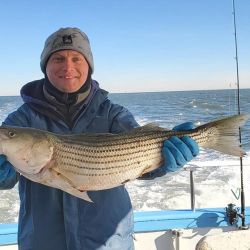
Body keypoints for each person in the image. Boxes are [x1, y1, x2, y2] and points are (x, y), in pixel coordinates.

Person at [0, 27, 199, 250]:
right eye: (58, 58)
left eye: (77, 58)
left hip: (109, 242)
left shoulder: (113, 113)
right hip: (43, 242)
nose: (68, 66)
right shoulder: (20, 119)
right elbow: (8, 175)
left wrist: (164, 162)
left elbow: (139, 161)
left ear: (89, 66)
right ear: (45, 65)